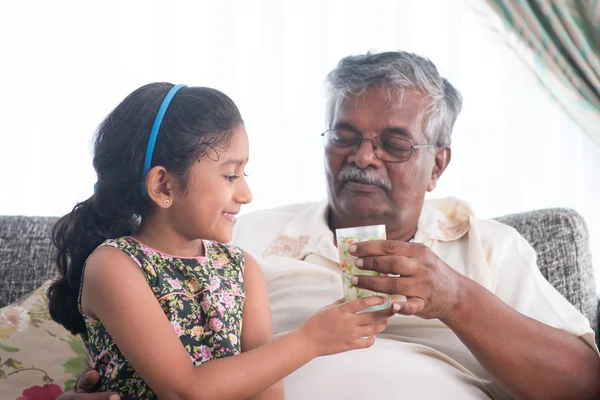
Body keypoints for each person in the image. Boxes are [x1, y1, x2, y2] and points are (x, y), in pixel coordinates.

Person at [59, 52, 600, 400]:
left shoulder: (491, 247)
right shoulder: (234, 234)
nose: (363, 157)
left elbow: (583, 384)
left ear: (438, 164)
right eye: (344, 136)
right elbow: (110, 303)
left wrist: (459, 300)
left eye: (393, 144)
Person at [48, 83, 394, 399]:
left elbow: (268, 393)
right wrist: (311, 340)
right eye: (230, 175)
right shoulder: (114, 266)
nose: (246, 194)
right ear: (163, 187)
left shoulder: (242, 268)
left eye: (245, 173)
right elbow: (185, 391)